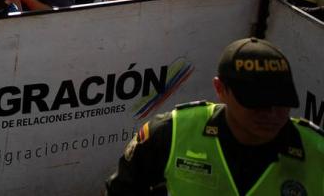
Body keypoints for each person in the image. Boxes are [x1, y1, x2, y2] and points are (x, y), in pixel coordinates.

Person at [105, 38, 322, 195]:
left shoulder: (317, 151)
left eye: (282, 102)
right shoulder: (171, 132)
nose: (271, 114)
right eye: (257, 103)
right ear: (220, 89)